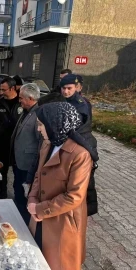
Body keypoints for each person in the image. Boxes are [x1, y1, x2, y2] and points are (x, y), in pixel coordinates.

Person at [28, 102, 95, 270]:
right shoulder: (48, 142)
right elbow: (39, 175)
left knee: (57, 263)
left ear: (54, 123)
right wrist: (32, 199)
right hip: (39, 215)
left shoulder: (80, 155)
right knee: (36, 257)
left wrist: (40, 209)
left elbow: (74, 196)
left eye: (41, 125)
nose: (39, 129)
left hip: (62, 221)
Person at [60, 74, 99, 216]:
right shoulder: (68, 101)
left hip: (83, 143)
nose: (65, 91)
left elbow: (76, 130)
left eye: (69, 88)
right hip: (80, 142)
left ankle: (88, 210)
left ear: (76, 87)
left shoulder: (80, 104)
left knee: (86, 181)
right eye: (63, 88)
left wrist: (91, 153)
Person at [10, 83, 40, 225]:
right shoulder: (26, 111)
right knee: (17, 190)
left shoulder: (38, 115)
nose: (19, 100)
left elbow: (40, 144)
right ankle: (17, 215)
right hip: (19, 161)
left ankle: (24, 223)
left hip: (28, 164)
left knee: (23, 195)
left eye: (21, 98)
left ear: (30, 98)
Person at [0, 77, 21, 199]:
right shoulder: (1, 102)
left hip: (17, 143)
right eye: (0, 89)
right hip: (2, 141)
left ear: (12, 88)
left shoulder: (21, 101)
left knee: (17, 170)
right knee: (2, 168)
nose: (1, 92)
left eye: (4, 90)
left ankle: (18, 195)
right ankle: (2, 191)